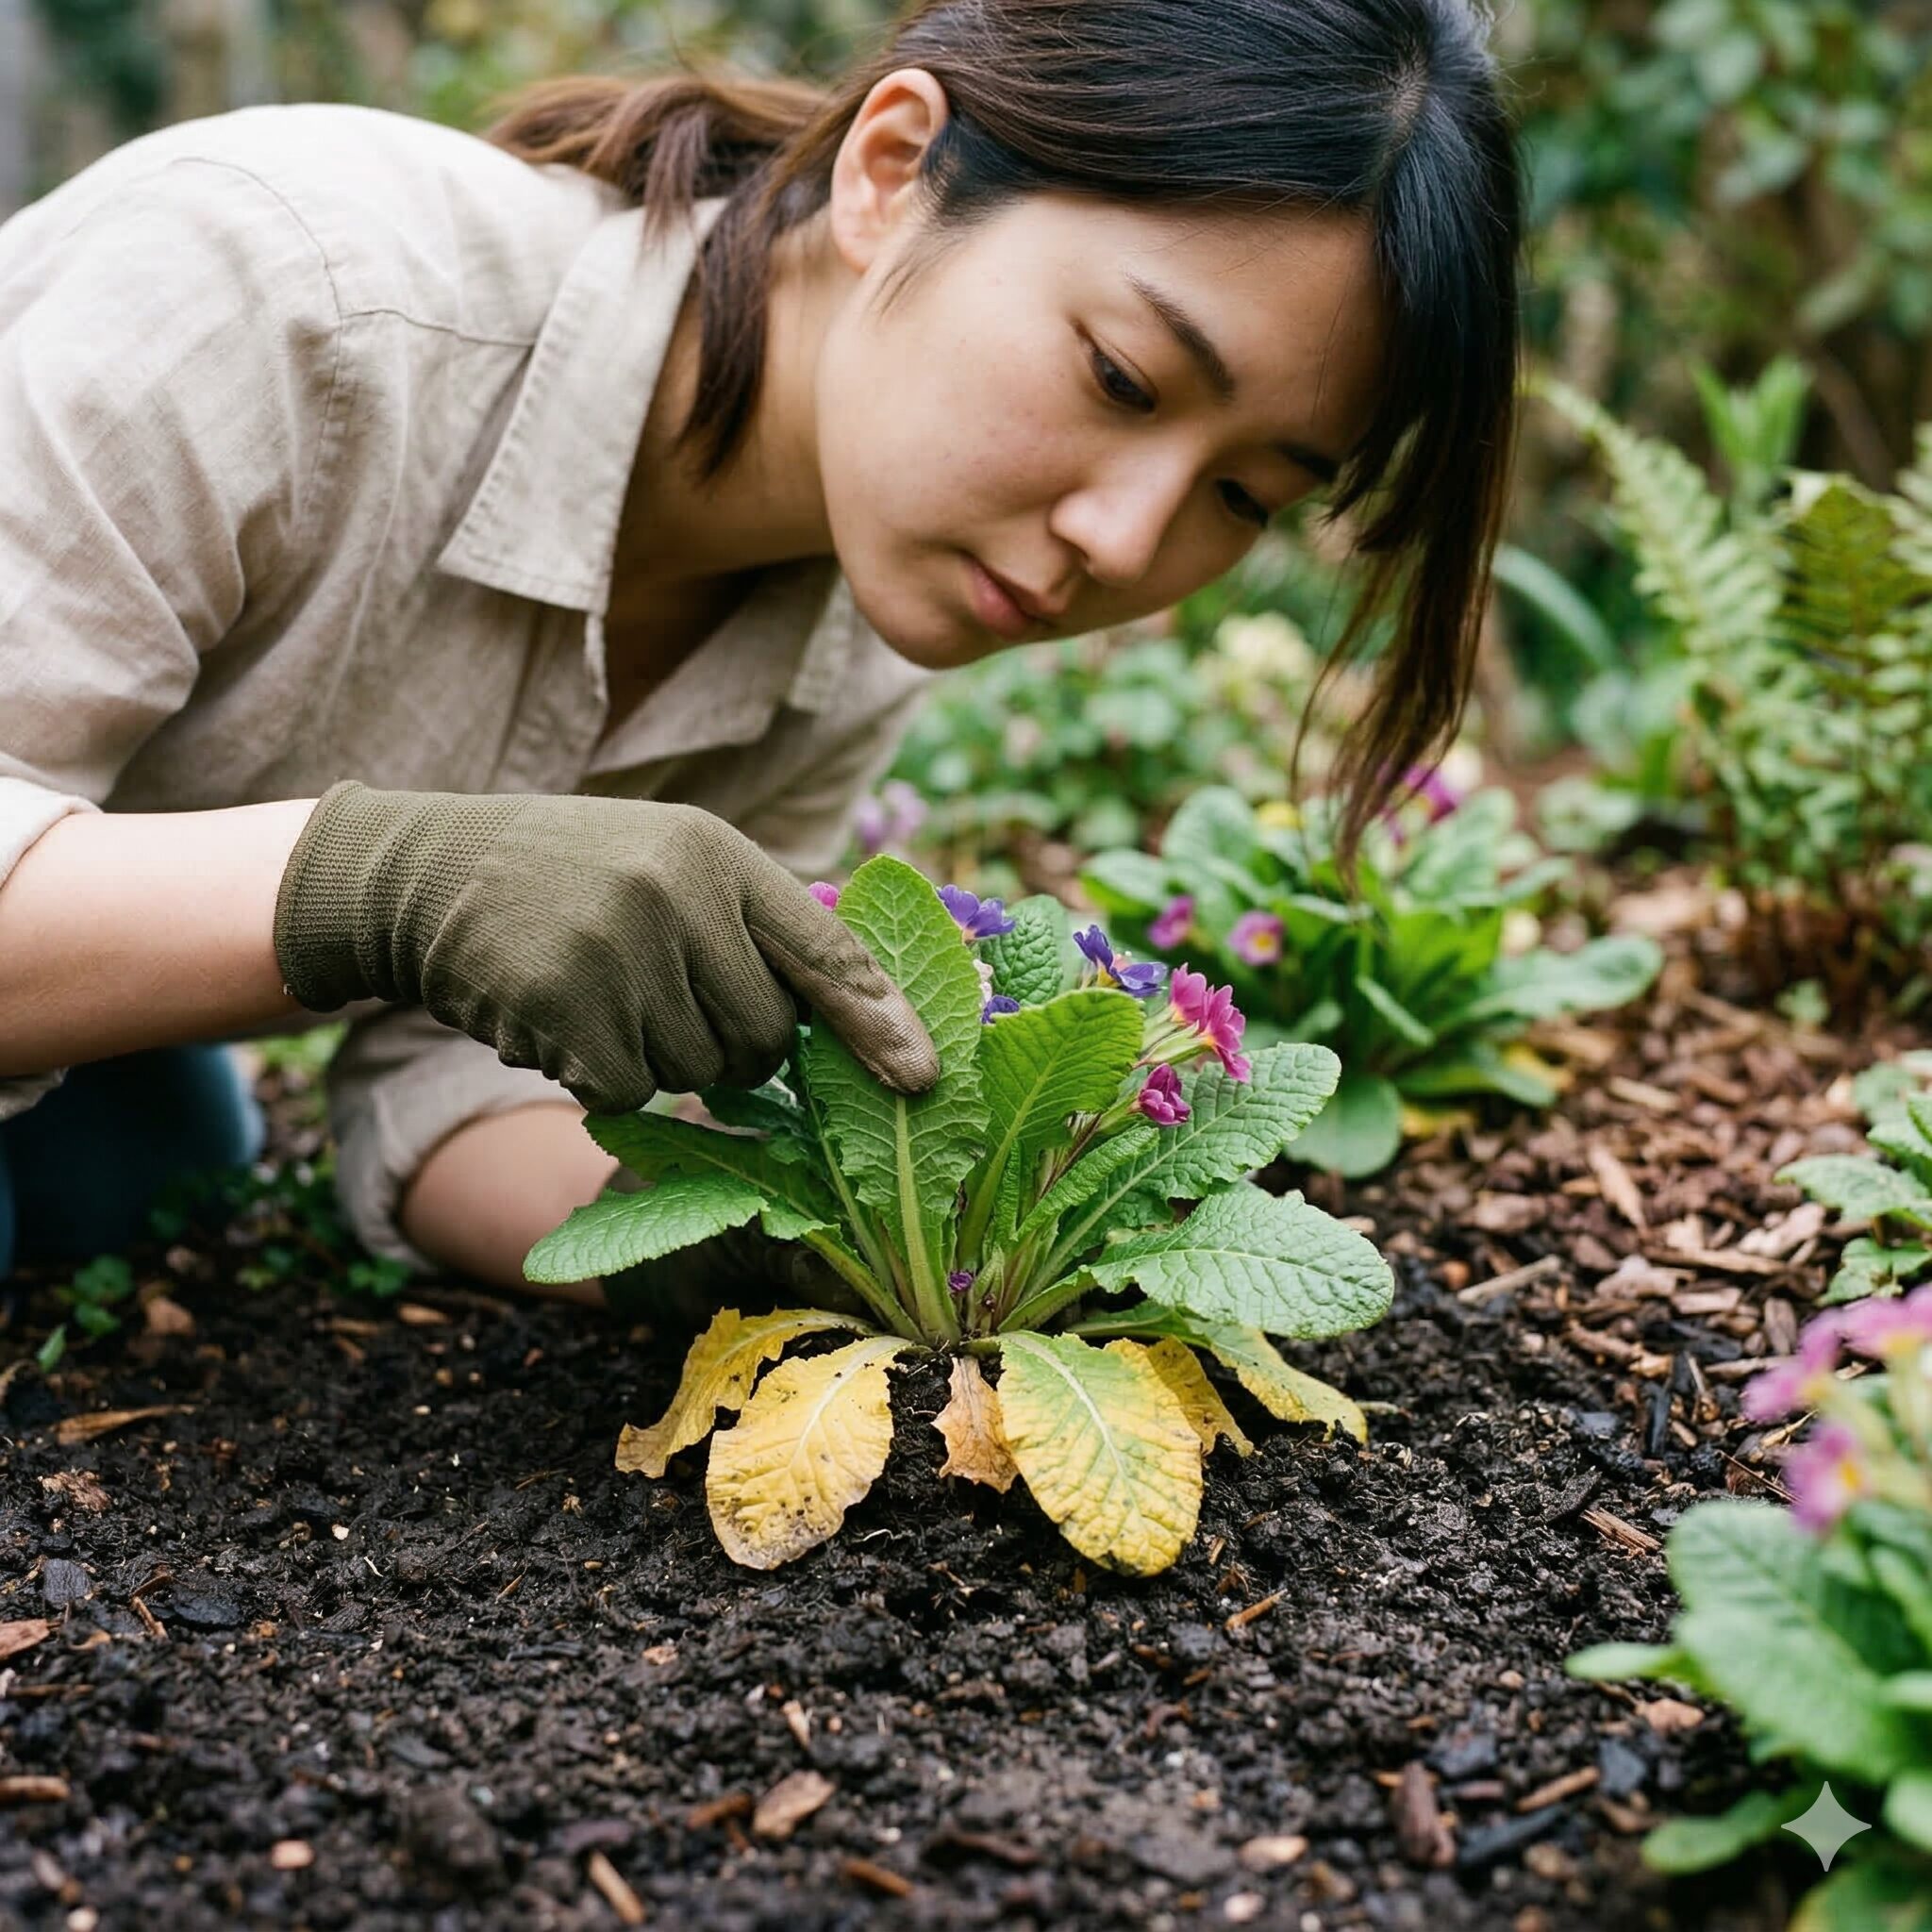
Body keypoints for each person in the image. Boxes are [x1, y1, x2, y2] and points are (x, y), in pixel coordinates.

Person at [0, 0, 1521, 1303]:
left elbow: (465, 1085)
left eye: (1245, 496)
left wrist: (790, 1233)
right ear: (893, 170)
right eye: (1123, 377)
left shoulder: (859, 619)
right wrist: (391, 887)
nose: (1128, 543)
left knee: (145, 1184)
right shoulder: (282, 291)